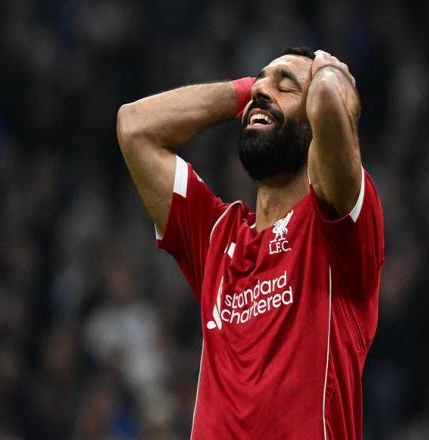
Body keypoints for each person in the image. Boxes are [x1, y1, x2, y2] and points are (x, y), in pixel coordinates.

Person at [116, 47, 384, 439]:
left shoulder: (338, 229)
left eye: (286, 86)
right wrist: (248, 90)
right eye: (260, 82)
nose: (263, 90)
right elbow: (135, 126)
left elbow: (329, 99)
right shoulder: (216, 236)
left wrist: (334, 75)